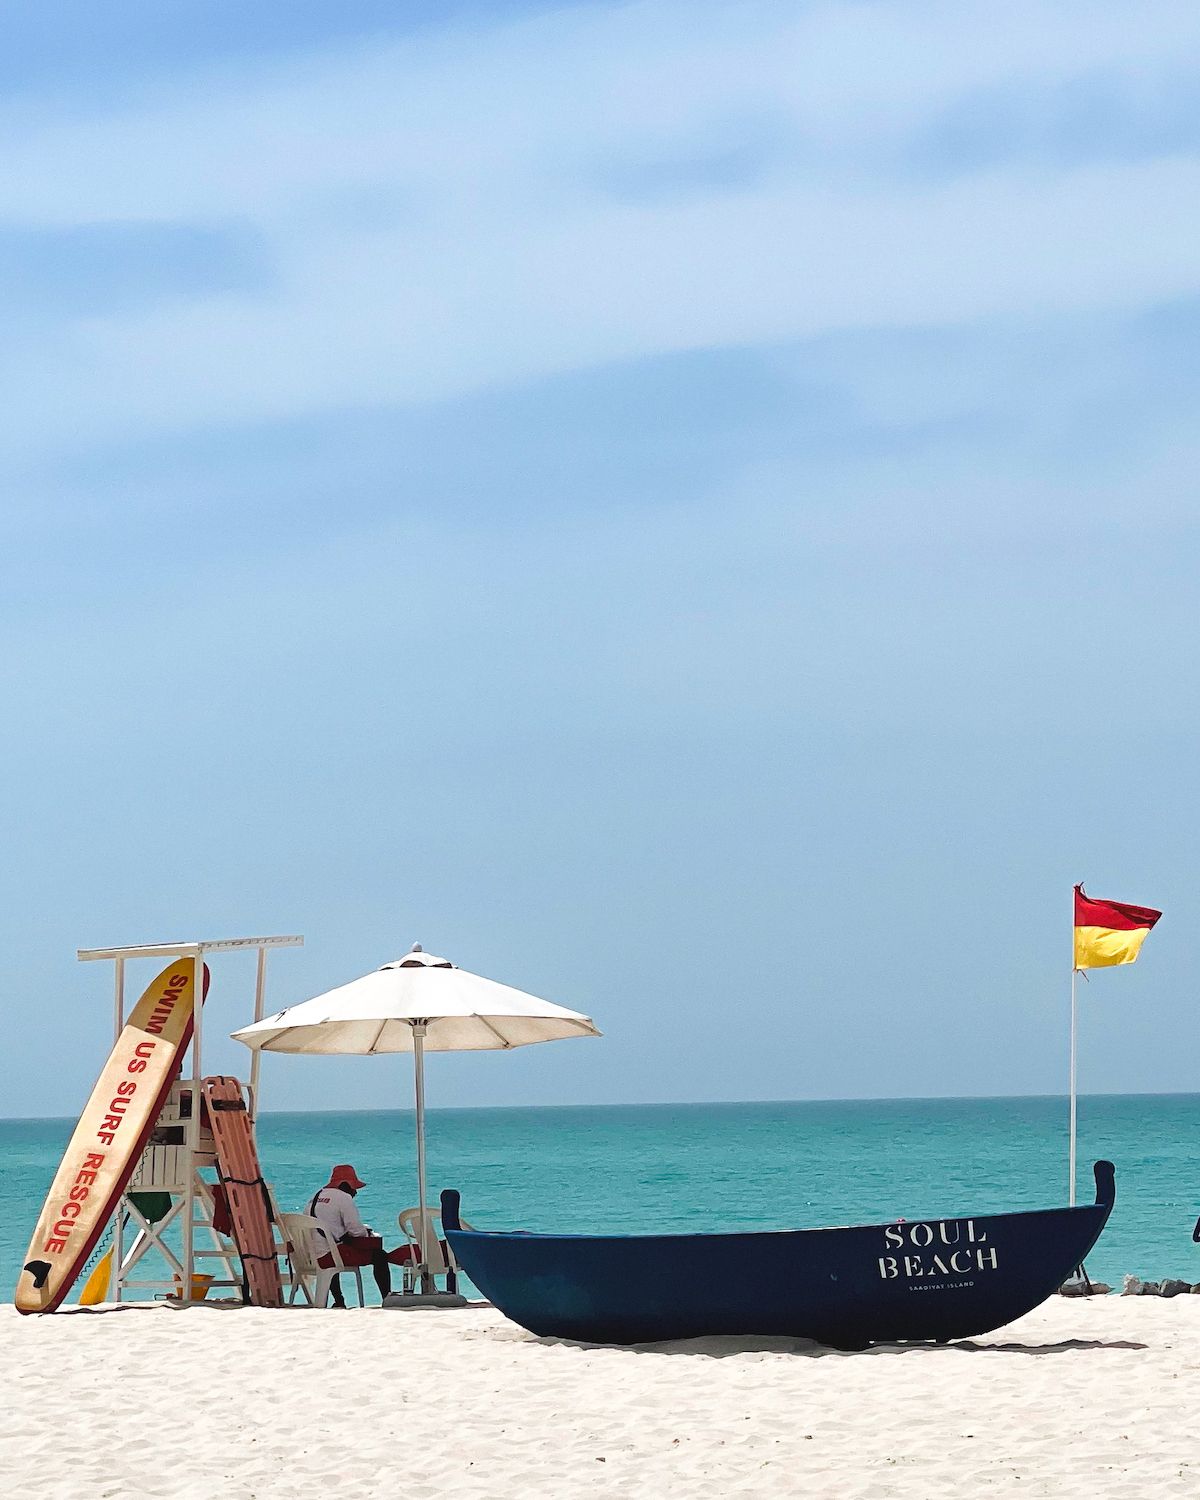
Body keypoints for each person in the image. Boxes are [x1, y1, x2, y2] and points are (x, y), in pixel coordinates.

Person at [309, 1164, 393, 1307]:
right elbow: (355, 1230)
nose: (355, 1192)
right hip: (329, 1257)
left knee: (333, 1249)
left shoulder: (316, 1197)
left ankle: (339, 1300)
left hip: (312, 1255)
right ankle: (387, 1298)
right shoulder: (343, 1197)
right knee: (380, 1256)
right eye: (353, 1187)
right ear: (345, 1185)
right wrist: (368, 1233)